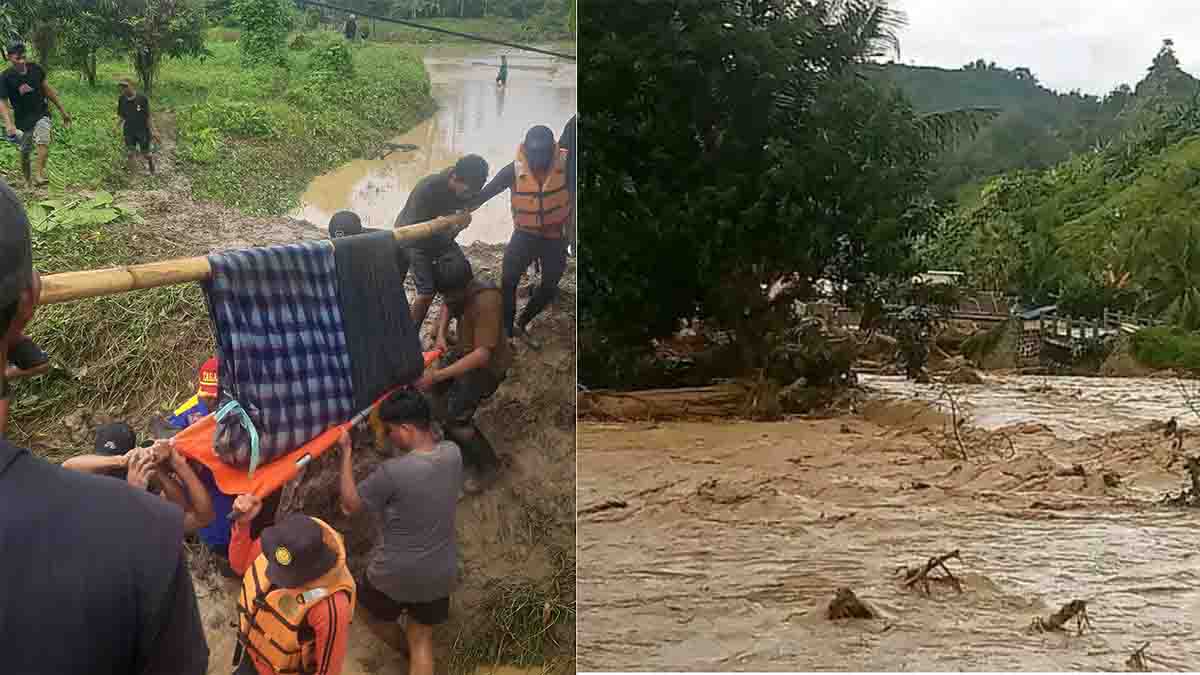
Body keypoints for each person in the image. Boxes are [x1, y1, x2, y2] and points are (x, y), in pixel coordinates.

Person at [0, 177, 208, 671]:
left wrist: (161, 466)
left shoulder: (127, 512)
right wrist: (143, 480)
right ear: (29, 302)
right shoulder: (134, 528)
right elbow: (190, 515)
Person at [337, 389, 461, 675]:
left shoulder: (393, 473)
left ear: (405, 428)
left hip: (394, 572)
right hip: (441, 571)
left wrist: (346, 453)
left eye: (390, 431)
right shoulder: (453, 454)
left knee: (368, 612)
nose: (388, 437)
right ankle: (414, 653)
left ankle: (403, 650)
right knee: (422, 640)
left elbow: (350, 505)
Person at [228, 497, 355, 675]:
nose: (275, 576)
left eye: (287, 576)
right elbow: (239, 565)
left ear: (313, 570)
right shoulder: (276, 548)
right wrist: (242, 525)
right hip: (252, 656)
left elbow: (329, 671)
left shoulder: (331, 607)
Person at [470, 125, 571, 349]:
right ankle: (507, 329)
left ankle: (523, 321)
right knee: (508, 281)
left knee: (549, 286)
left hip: (555, 237)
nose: (538, 158)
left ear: (553, 149)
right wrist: (460, 209)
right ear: (525, 149)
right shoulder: (514, 170)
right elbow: (486, 194)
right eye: (533, 153)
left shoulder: (567, 165)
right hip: (524, 235)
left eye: (543, 153)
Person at [417, 251, 508, 492]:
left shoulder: (486, 301)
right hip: (464, 350)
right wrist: (440, 335)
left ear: (465, 286)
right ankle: (451, 440)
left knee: (457, 418)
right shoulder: (457, 291)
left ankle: (490, 467)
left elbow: (482, 356)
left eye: (450, 294)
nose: (447, 299)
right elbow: (448, 304)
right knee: (436, 394)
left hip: (486, 367)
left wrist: (438, 374)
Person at [62, 422, 216, 535]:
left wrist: (162, 468)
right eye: (104, 464)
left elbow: (190, 516)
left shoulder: (144, 488)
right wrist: (121, 461)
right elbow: (66, 468)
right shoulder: (90, 488)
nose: (108, 476)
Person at [394, 155, 489, 330]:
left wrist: (457, 225)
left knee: (462, 278)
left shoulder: (466, 188)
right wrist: (453, 228)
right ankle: (410, 337)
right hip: (412, 239)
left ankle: (439, 331)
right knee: (426, 293)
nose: (468, 197)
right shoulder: (428, 188)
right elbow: (414, 233)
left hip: (441, 236)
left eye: (472, 194)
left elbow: (453, 223)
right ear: (454, 178)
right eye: (467, 192)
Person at [0, 41, 71, 188]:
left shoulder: (36, 69)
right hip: (23, 119)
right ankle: (27, 180)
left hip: (41, 112)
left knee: (43, 139)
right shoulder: (5, 77)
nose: (20, 58)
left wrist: (62, 110)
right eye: (16, 55)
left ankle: (39, 175)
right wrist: (9, 124)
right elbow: (3, 103)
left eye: (22, 54)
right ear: (9, 57)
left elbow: (47, 90)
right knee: (25, 152)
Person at [117, 77, 160, 175]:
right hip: (129, 130)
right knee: (130, 152)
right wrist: (116, 127)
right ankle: (133, 175)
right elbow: (122, 116)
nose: (123, 89)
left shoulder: (142, 99)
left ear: (132, 86)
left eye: (125, 86)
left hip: (142, 130)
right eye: (122, 87)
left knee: (146, 154)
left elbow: (148, 116)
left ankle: (151, 164)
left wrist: (154, 131)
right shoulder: (121, 99)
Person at [560, 114, 578, 258]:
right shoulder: (574, 122)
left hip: (570, 178)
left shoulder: (573, 121)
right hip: (571, 179)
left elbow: (562, 150)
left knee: (570, 217)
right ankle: (570, 249)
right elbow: (562, 150)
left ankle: (568, 248)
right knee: (571, 218)